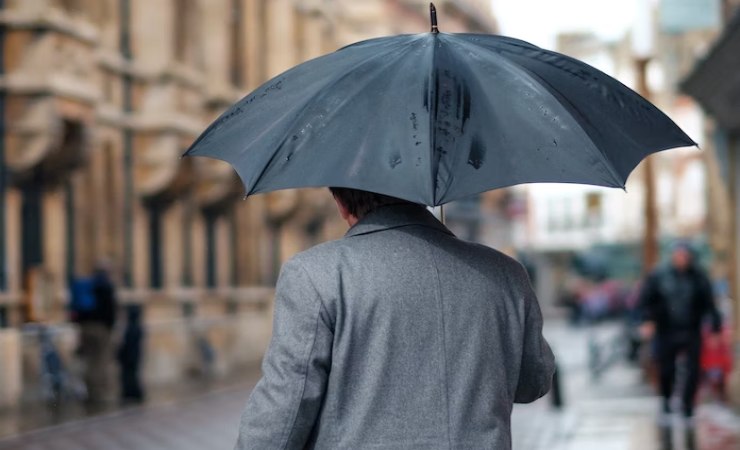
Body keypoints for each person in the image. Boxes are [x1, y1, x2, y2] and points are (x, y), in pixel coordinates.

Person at [236, 188, 555, 449]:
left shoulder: (316, 273)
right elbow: (533, 383)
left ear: (341, 203)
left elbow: (286, 406)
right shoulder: (505, 273)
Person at [638, 242, 721, 421]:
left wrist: (715, 326)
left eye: (685, 255)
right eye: (679, 255)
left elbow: (709, 303)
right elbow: (646, 300)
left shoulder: (699, 276)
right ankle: (667, 400)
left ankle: (687, 404)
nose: (682, 259)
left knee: (693, 369)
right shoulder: (659, 275)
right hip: (666, 329)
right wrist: (647, 321)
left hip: (691, 328)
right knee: (667, 368)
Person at [74, 261, 118, 406]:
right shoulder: (106, 287)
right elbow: (111, 311)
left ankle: (89, 391)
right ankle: (99, 394)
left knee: (89, 360)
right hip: (101, 328)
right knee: (101, 360)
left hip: (84, 327)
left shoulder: (88, 286)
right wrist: (110, 327)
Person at [117, 304, 145, 403]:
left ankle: (131, 393)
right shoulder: (136, 327)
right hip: (133, 355)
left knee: (129, 375)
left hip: (130, 356)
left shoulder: (131, 328)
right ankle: (133, 393)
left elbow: (127, 343)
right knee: (132, 374)